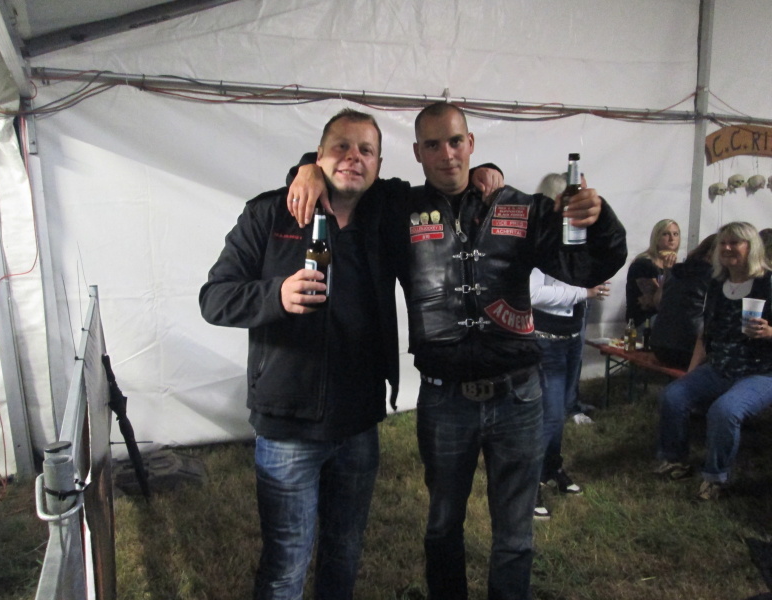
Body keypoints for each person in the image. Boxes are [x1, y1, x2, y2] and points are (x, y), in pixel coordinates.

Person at [289, 102, 627, 600]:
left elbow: (587, 266)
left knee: (515, 533)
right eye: (432, 145)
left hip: (519, 397)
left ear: (470, 143)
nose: (446, 154)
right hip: (445, 399)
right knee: (443, 525)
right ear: (417, 153)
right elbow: (347, 177)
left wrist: (597, 219)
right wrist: (307, 167)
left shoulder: (520, 207)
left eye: (454, 142)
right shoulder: (397, 209)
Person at [199, 109, 398, 600]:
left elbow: (443, 185)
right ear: (319, 153)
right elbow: (214, 298)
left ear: (378, 164)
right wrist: (276, 295)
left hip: (358, 424)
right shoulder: (270, 214)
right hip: (287, 426)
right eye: (341, 147)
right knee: (286, 564)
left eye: (366, 150)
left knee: (344, 553)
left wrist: (486, 171)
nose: (353, 158)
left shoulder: (384, 215)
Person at [655, 222, 772, 501]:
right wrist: (691, 374)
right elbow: (705, 334)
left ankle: (716, 477)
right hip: (720, 366)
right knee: (673, 396)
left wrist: (769, 332)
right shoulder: (718, 283)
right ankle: (675, 460)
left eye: (735, 243)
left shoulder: (767, 283)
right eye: (723, 243)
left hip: (761, 372)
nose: (727, 248)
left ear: (752, 247)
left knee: (724, 410)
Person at [529, 174, 612, 521]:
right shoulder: (537, 239)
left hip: (569, 337)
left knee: (560, 411)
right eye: (570, 200)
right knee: (547, 417)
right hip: (545, 340)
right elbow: (533, 293)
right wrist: (584, 292)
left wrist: (592, 277)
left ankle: (551, 468)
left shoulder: (574, 239)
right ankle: (529, 483)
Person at [650, 233, 716, 369]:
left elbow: (658, 303)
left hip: (659, 346)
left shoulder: (676, 270)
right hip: (689, 350)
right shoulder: (713, 277)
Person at [625, 218, 680, 326]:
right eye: (666, 234)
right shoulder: (643, 264)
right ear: (656, 237)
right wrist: (667, 272)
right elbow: (658, 303)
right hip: (644, 320)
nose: (672, 238)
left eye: (675, 234)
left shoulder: (675, 265)